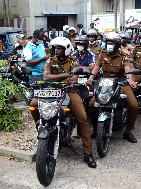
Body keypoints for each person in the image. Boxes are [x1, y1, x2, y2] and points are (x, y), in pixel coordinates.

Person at [29, 37, 97, 168]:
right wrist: (65, 75)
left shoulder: (73, 60)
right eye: (55, 48)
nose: (56, 50)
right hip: (51, 90)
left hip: (69, 91)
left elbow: (73, 79)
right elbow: (45, 77)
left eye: (59, 48)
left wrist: (58, 78)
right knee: (33, 105)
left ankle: (88, 153)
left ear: (66, 49)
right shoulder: (51, 60)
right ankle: (40, 124)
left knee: (83, 118)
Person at [88, 32, 138, 143]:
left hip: (120, 82)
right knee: (91, 104)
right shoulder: (102, 54)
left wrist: (129, 79)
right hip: (105, 82)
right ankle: (95, 129)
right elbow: (96, 67)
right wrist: (91, 77)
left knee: (134, 105)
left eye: (111, 43)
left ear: (116, 44)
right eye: (107, 43)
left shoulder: (123, 55)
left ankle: (128, 131)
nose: (109, 45)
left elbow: (127, 69)